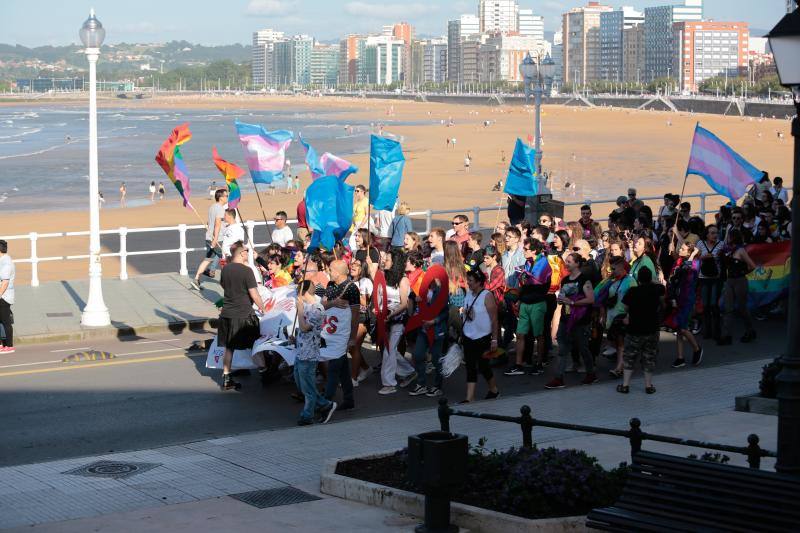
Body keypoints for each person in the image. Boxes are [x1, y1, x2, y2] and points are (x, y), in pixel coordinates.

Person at [217, 241, 265, 391]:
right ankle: (265, 372)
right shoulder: (246, 271)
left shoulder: (225, 269)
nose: (247, 253)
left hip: (227, 314)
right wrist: (264, 308)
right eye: (246, 251)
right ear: (241, 253)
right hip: (244, 314)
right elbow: (254, 294)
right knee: (255, 344)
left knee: (229, 347)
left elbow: (223, 285)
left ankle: (226, 378)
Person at [545, 253, 596, 389]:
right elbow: (563, 296)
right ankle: (558, 378)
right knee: (562, 349)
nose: (566, 264)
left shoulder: (584, 280)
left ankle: (591, 374)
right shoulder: (565, 280)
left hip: (580, 320)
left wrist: (573, 302)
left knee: (583, 348)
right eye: (566, 261)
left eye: (569, 262)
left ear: (577, 264)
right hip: (566, 318)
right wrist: (561, 299)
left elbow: (591, 299)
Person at [505, 239, 552, 377]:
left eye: (525, 249)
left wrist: (524, 275)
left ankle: (539, 364)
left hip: (538, 303)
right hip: (525, 303)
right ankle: (519, 364)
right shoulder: (527, 263)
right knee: (520, 334)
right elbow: (525, 282)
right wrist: (519, 299)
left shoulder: (543, 263)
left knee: (539, 335)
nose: (523, 251)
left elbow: (535, 280)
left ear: (534, 251)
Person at [293, 280, 337, 425]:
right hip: (300, 351)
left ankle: (307, 416)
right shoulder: (306, 307)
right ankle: (325, 404)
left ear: (303, 292)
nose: (296, 297)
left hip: (309, 354)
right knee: (303, 386)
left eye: (298, 294)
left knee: (308, 389)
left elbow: (305, 327)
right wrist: (294, 337)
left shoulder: (317, 309)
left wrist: (299, 310)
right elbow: (302, 330)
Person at [618, 266, 664, 394]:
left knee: (629, 357)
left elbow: (625, 308)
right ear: (650, 278)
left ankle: (625, 385)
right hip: (652, 329)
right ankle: (648, 386)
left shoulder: (632, 292)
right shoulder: (656, 290)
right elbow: (662, 291)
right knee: (649, 357)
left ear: (638, 279)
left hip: (634, 329)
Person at [376, 250, 416, 395]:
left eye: (388, 259)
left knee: (388, 350)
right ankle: (409, 371)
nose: (384, 261)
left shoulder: (403, 280)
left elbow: (404, 303)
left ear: (395, 262)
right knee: (390, 350)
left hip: (398, 319)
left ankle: (389, 383)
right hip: (384, 318)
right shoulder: (383, 276)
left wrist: (391, 314)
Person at [321, 260, 359, 410]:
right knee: (342, 369)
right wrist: (332, 303)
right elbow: (322, 305)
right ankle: (349, 400)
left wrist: (352, 338)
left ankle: (325, 403)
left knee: (333, 369)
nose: (328, 272)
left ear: (337, 272)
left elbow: (355, 316)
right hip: (330, 333)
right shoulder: (330, 285)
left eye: (330, 269)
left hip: (342, 336)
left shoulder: (351, 289)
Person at [460, 269, 500, 403]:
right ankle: (469, 397)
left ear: (478, 282)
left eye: (471, 280)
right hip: (468, 335)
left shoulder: (487, 295)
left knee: (483, 366)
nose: (468, 283)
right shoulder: (469, 294)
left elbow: (494, 319)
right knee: (470, 366)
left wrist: (494, 339)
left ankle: (494, 389)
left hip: (483, 337)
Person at [663, 242, 704, 368]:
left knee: (682, 327)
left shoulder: (695, 262)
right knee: (678, 328)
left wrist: (693, 255)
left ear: (689, 252)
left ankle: (697, 348)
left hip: (687, 299)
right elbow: (673, 277)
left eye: (683, 249)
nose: (679, 249)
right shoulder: (679, 261)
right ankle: (680, 357)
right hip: (677, 298)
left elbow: (689, 268)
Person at [719, 229, 757, 345]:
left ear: (733, 237)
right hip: (730, 280)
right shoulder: (727, 250)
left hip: (740, 280)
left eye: (729, 236)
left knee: (742, 308)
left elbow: (752, 265)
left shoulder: (740, 250)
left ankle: (750, 331)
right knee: (728, 308)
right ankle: (726, 336)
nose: (728, 238)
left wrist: (743, 272)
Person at [601, 256, 636, 379]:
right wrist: (603, 315)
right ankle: (623, 365)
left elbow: (635, 301)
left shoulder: (630, 281)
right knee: (617, 343)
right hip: (612, 317)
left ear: (622, 268)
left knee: (621, 344)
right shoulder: (612, 280)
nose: (612, 270)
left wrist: (629, 315)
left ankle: (619, 368)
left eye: (614, 268)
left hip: (622, 317)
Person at [190, 189, 228, 290]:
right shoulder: (220, 208)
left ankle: (196, 279)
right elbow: (217, 224)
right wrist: (215, 239)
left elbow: (209, 223)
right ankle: (227, 282)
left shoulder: (212, 207)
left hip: (208, 236)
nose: (227, 197)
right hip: (217, 239)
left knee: (207, 259)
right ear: (220, 197)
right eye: (226, 196)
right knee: (225, 260)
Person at [696, 224, 724, 340]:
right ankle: (707, 331)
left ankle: (717, 331)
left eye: (716, 233)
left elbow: (725, 259)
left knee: (713, 304)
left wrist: (720, 256)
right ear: (706, 234)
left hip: (716, 278)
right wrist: (703, 257)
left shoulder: (721, 244)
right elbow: (695, 258)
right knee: (706, 305)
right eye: (712, 233)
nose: (715, 235)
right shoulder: (700, 244)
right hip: (703, 278)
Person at [0, 240, 15, 353]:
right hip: (2, 296)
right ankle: (2, 344)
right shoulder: (2, 260)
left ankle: (9, 346)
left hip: (4, 297)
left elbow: (5, 283)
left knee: (5, 322)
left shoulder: (6, 263)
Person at [349, 185, 369, 250]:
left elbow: (367, 215)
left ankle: (360, 256)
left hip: (362, 224)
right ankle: (356, 255)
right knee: (352, 241)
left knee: (361, 242)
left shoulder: (366, 200)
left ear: (362, 192)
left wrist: (361, 226)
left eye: (357, 191)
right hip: (356, 224)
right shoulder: (357, 202)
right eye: (355, 191)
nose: (356, 192)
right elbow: (354, 214)